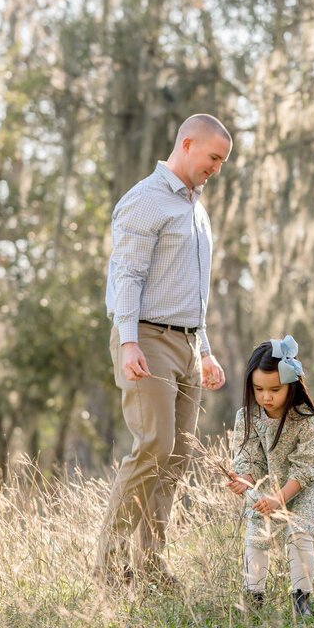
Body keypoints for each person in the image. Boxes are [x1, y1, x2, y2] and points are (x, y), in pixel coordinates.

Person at [96, 114, 232, 588]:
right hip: (146, 338)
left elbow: (192, 290)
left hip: (188, 344)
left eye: (223, 161)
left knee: (176, 457)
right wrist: (129, 339)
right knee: (153, 445)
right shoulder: (145, 200)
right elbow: (127, 275)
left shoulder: (197, 209)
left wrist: (206, 349)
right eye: (214, 157)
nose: (217, 167)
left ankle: (152, 564)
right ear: (187, 143)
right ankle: (110, 566)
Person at [226, 336, 314, 618]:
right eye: (258, 389)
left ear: (291, 386)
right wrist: (244, 480)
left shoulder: (308, 421)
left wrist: (280, 499)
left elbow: (305, 468)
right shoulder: (248, 416)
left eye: (275, 389)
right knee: (256, 535)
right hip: (267, 483)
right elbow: (248, 456)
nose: (266, 397)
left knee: (299, 534)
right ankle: (254, 598)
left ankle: (300, 599)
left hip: (302, 484)